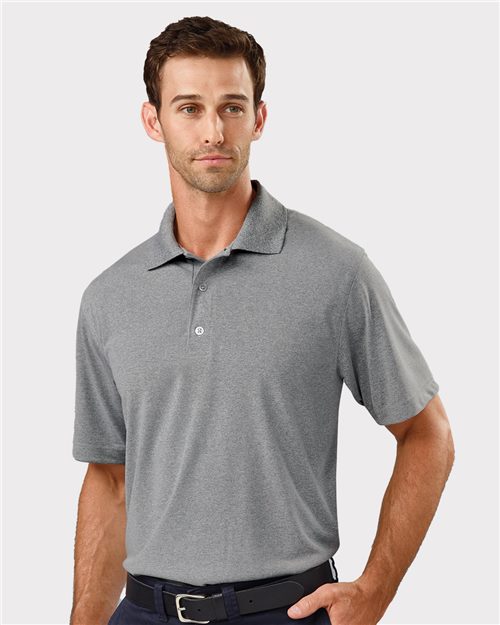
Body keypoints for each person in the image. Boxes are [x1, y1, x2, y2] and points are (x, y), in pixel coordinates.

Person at [69, 15, 454, 625]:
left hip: (284, 611)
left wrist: (375, 590)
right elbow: (109, 480)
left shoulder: (336, 272)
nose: (213, 131)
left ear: (259, 118)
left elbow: (427, 435)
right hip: (143, 612)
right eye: (189, 108)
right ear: (153, 121)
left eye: (233, 107)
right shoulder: (109, 297)